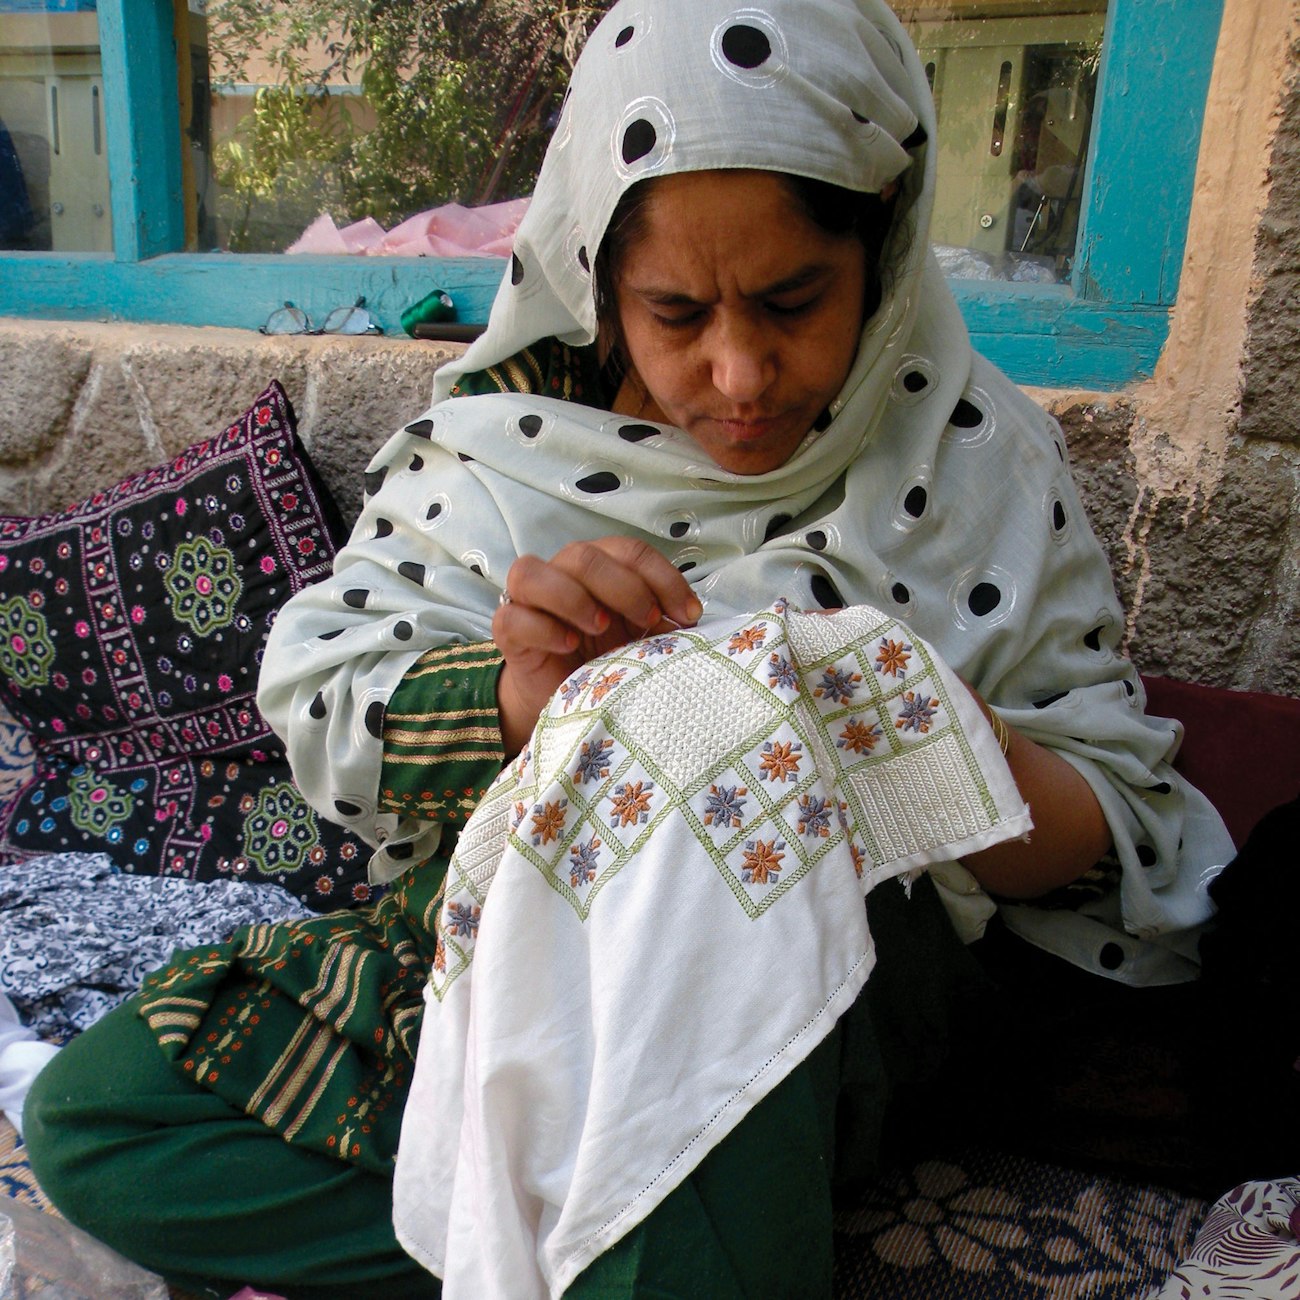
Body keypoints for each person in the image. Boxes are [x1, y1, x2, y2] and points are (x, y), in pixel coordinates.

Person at [24, 0, 1234, 1296]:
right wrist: (518, 695)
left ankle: (649, 1222)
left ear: (879, 259)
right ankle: (586, 1241)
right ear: (597, 286)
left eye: (791, 302)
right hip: (507, 966)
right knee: (106, 1122)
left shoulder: (977, 458)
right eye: (676, 314)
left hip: (834, 987)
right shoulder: (500, 452)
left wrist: (911, 742)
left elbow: (1121, 820)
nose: (738, 374)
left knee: (709, 854)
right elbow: (323, 691)